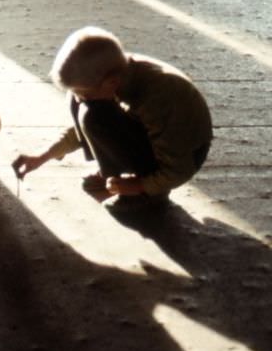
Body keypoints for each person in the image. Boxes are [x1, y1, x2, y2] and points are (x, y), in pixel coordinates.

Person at [12, 27, 213, 214]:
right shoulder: (113, 73)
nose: (81, 98)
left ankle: (152, 193)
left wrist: (140, 185)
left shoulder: (159, 97)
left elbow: (179, 169)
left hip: (185, 154)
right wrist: (43, 156)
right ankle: (115, 172)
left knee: (93, 116)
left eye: (85, 93)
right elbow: (80, 127)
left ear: (111, 83)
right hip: (149, 134)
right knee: (81, 105)